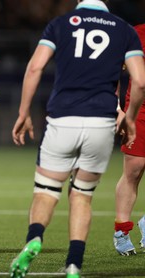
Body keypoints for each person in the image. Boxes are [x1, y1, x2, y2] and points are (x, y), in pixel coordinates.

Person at [9, 0, 145, 277]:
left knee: (46, 191)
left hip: (63, 119)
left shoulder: (61, 23)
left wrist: (23, 112)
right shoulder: (124, 29)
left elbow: (34, 68)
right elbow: (140, 81)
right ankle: (74, 264)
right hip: (101, 123)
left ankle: (35, 238)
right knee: (82, 196)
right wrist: (129, 116)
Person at [113, 23, 145, 256]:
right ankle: (122, 231)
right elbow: (111, 69)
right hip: (140, 111)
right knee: (134, 169)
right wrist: (118, 109)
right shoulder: (135, 33)